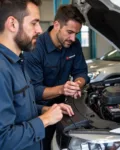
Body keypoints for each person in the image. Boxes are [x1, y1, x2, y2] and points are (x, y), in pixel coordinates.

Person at [0, 1, 74, 150]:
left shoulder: (17, 62)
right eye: (34, 23)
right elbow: (3, 140)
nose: (40, 30)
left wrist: (44, 110)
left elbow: (19, 107)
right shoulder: (2, 70)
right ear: (13, 24)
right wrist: (45, 120)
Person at [23, 4, 90, 150]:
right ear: (56, 24)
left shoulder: (74, 45)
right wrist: (63, 89)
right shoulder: (35, 48)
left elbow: (82, 73)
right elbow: (32, 91)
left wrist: (77, 84)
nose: (73, 38)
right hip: (40, 112)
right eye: (70, 32)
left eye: (76, 34)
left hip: (65, 109)